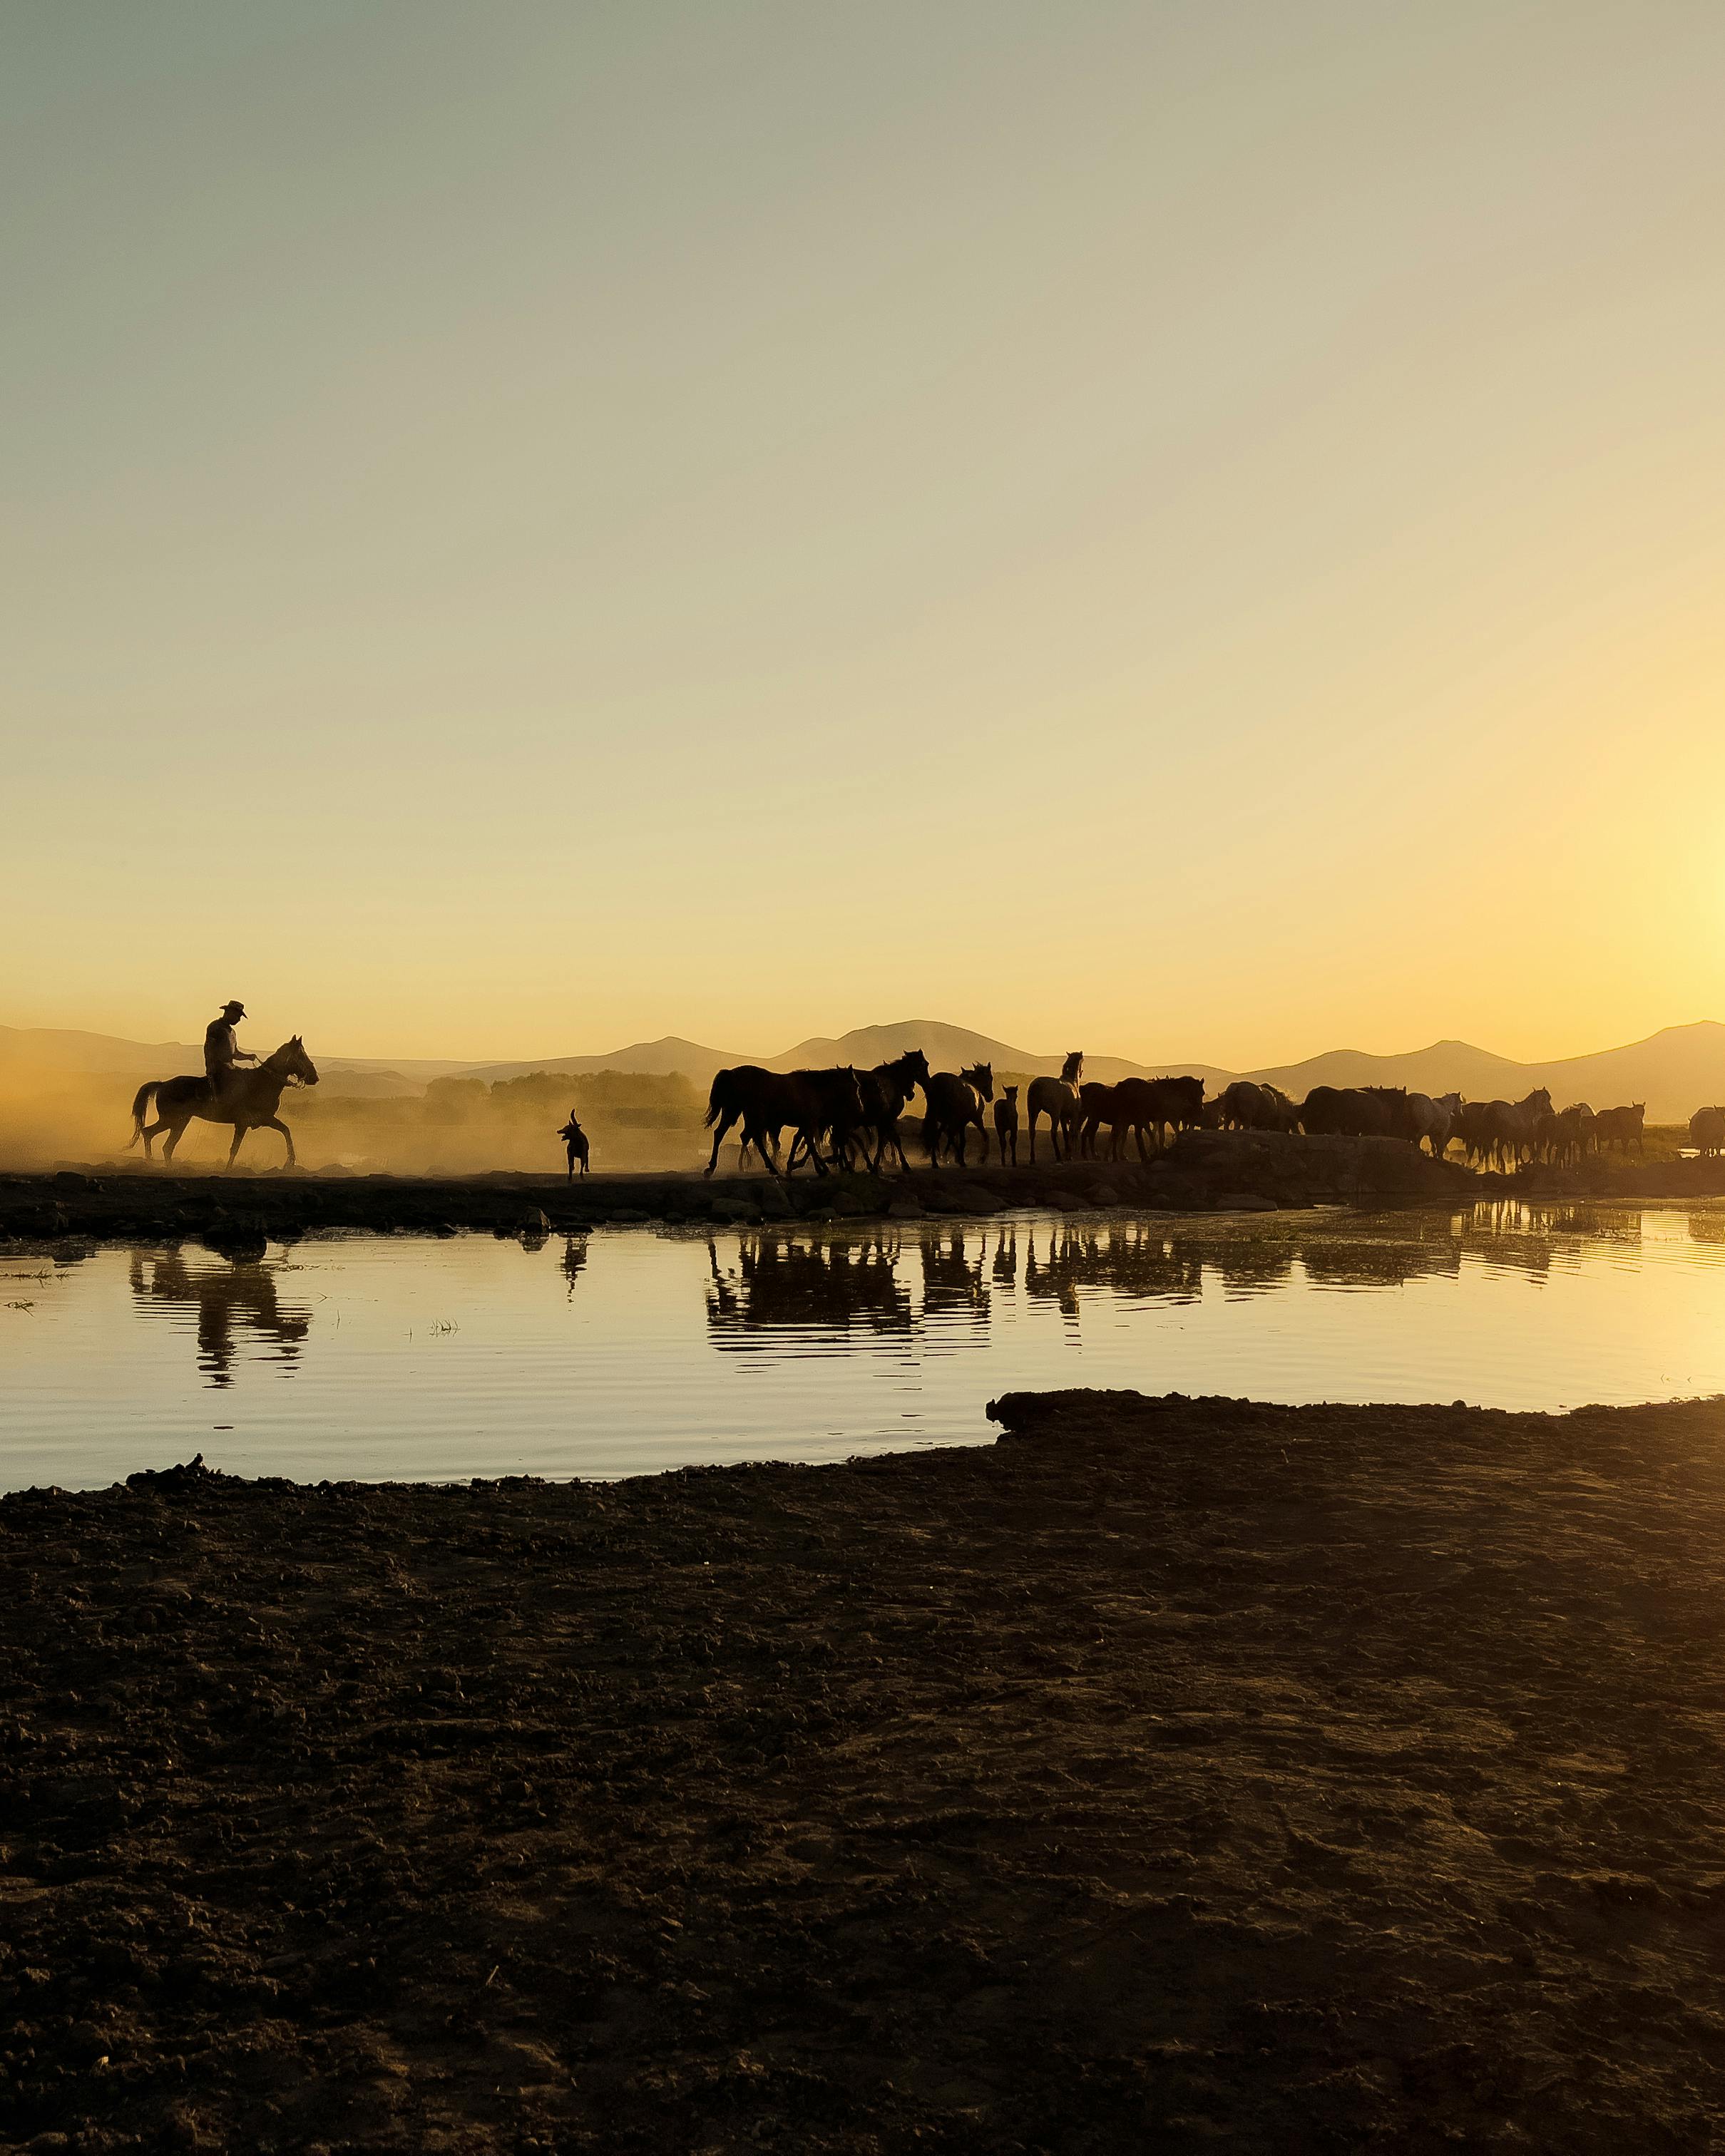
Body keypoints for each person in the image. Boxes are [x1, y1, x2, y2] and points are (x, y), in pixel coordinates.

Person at [203, 1000, 257, 1102]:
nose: (239, 1020)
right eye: (238, 1016)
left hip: (230, 1068)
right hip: (219, 1070)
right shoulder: (215, 1027)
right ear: (229, 1013)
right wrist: (212, 1070)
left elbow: (234, 1053)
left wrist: (248, 1057)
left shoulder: (232, 1032)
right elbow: (209, 1050)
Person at [557, 1109, 590, 1179]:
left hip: (581, 1146)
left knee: (585, 1153)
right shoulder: (573, 1135)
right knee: (570, 1151)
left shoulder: (579, 1135)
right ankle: (571, 1169)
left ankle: (585, 1168)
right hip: (573, 1145)